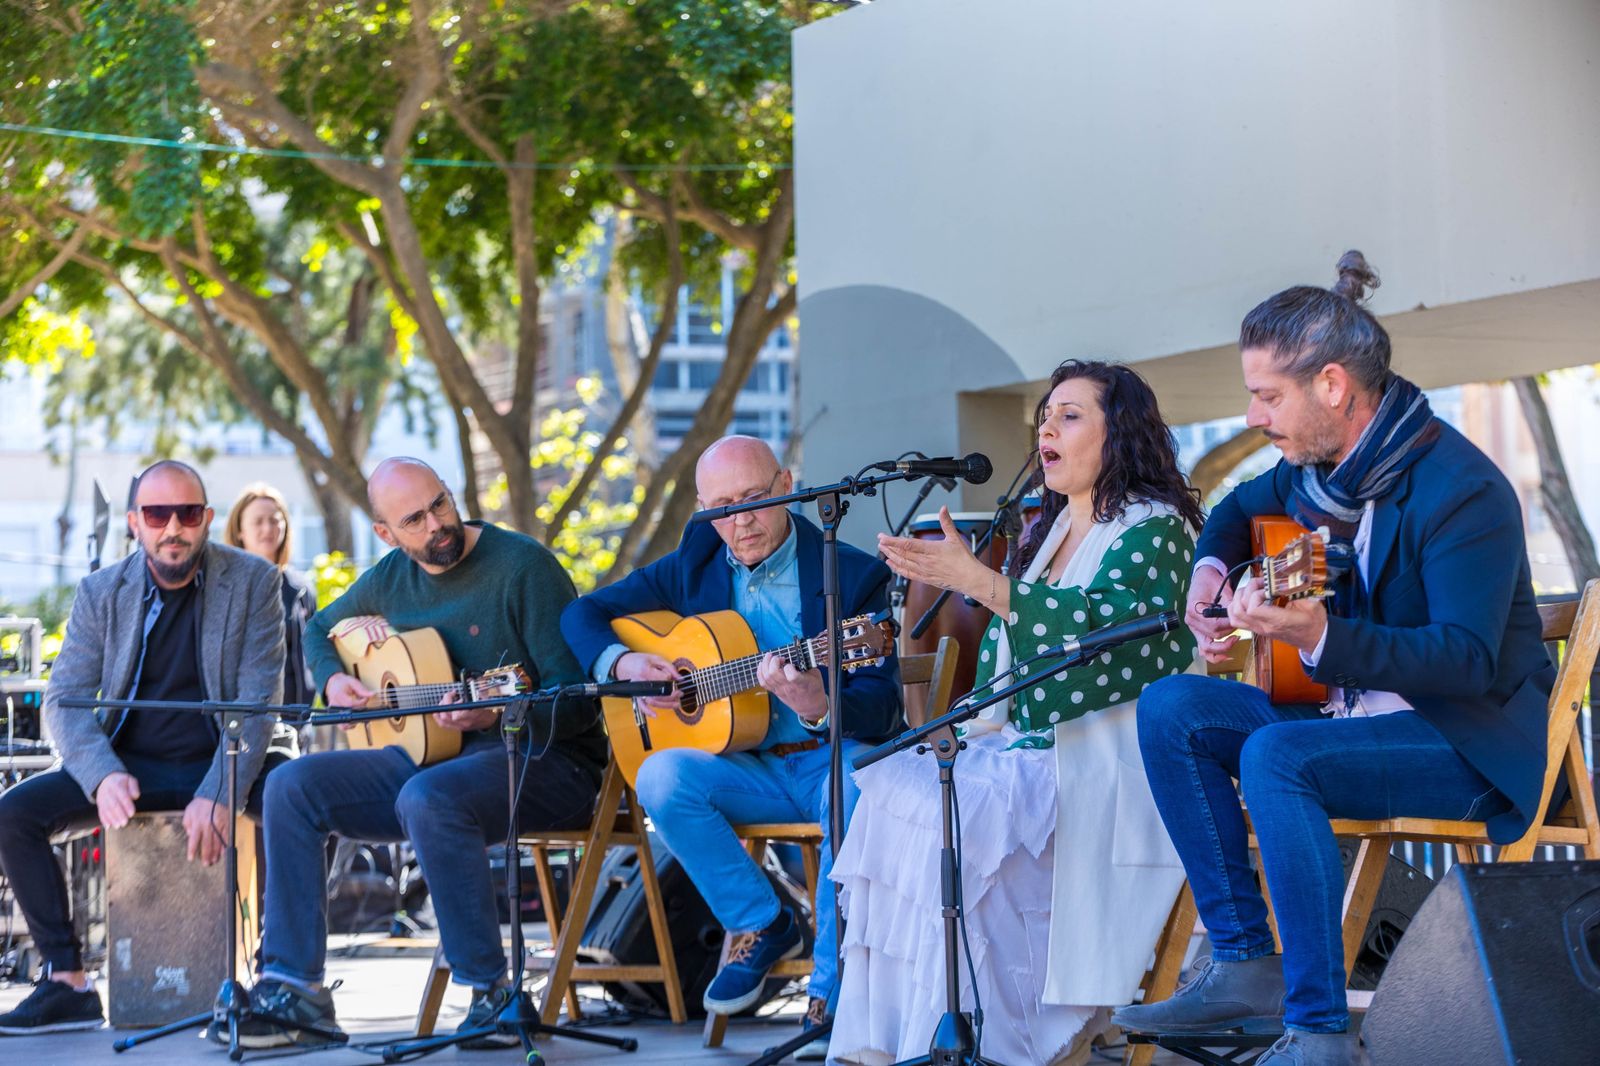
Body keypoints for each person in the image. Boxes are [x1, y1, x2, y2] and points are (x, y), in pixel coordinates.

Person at [1113, 253, 1555, 1066]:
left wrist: (1318, 636)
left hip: (1463, 741)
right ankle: (1246, 963)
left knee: (1279, 754)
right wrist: (1210, 573)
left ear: (1331, 387)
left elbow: (1464, 662)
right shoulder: (1316, 474)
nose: (1252, 415)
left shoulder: (1462, 490)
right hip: (1350, 717)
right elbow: (1238, 509)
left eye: (1267, 395)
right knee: (1174, 707)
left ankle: (1315, 1031)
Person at [829, 360, 1203, 1065]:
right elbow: (1018, 657)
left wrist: (983, 583)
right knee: (894, 789)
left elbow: (1102, 639)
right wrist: (985, 589)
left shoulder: (1157, 529)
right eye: (1044, 416)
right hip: (1033, 747)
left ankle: (1003, 1044)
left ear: (1118, 434)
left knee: (967, 812)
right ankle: (909, 1038)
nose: (1046, 427)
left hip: (1107, 757)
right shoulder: (1055, 530)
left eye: (1070, 414)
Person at [232, 457, 604, 1050]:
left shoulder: (522, 567)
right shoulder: (390, 576)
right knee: (291, 786)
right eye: (415, 519)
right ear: (387, 534)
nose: (437, 525)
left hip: (547, 762)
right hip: (435, 760)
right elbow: (318, 627)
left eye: (441, 504)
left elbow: (580, 701)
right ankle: (295, 991)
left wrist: (499, 711)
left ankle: (493, 993)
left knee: (429, 797)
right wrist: (334, 680)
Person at [560, 435, 903, 1059]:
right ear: (702, 509)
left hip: (831, 761)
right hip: (746, 772)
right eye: (722, 507)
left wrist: (821, 705)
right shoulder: (696, 560)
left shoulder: (851, 573)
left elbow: (884, 707)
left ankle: (829, 999)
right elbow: (581, 613)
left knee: (852, 782)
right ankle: (765, 922)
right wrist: (626, 660)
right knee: (661, 777)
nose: (740, 521)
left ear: (786, 485)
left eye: (753, 499)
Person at [0, 460, 286, 1035]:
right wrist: (102, 774)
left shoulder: (255, 582)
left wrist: (221, 790)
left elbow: (259, 706)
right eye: (158, 514)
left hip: (226, 759)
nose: (173, 527)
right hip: (131, 765)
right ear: (135, 523)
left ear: (207, 519)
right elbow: (66, 701)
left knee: (303, 795)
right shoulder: (101, 591)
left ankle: (279, 981)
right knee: (12, 816)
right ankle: (66, 981)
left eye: (187, 513)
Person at [224, 483, 317, 707]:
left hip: (296, 723)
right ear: (239, 530)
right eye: (258, 521)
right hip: (242, 726)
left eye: (275, 520)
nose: (268, 528)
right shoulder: (225, 590)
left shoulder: (302, 589)